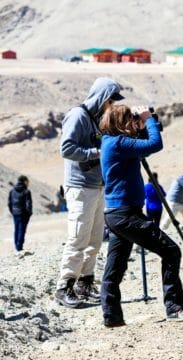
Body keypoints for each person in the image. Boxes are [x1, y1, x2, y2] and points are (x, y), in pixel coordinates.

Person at [99, 104, 183, 327]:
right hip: (126, 215)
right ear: (121, 123)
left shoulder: (110, 141)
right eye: (129, 119)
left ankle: (111, 317)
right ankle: (174, 307)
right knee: (171, 251)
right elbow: (155, 143)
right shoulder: (119, 143)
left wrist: (141, 126)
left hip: (116, 214)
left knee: (115, 268)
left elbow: (144, 146)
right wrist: (148, 119)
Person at [55, 77, 124, 308]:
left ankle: (85, 283)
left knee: (94, 240)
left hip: (97, 185)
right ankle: (64, 286)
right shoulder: (78, 116)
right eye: (111, 100)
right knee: (78, 238)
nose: (112, 105)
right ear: (102, 97)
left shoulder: (97, 119)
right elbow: (67, 148)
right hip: (81, 186)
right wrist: (97, 153)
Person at [8, 175, 32, 254]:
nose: (28, 183)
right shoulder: (26, 191)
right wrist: (29, 213)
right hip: (23, 213)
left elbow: (9, 203)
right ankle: (19, 247)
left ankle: (17, 247)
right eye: (27, 181)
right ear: (24, 181)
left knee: (16, 229)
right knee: (22, 230)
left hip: (15, 213)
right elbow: (28, 204)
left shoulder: (12, 190)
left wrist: (13, 211)